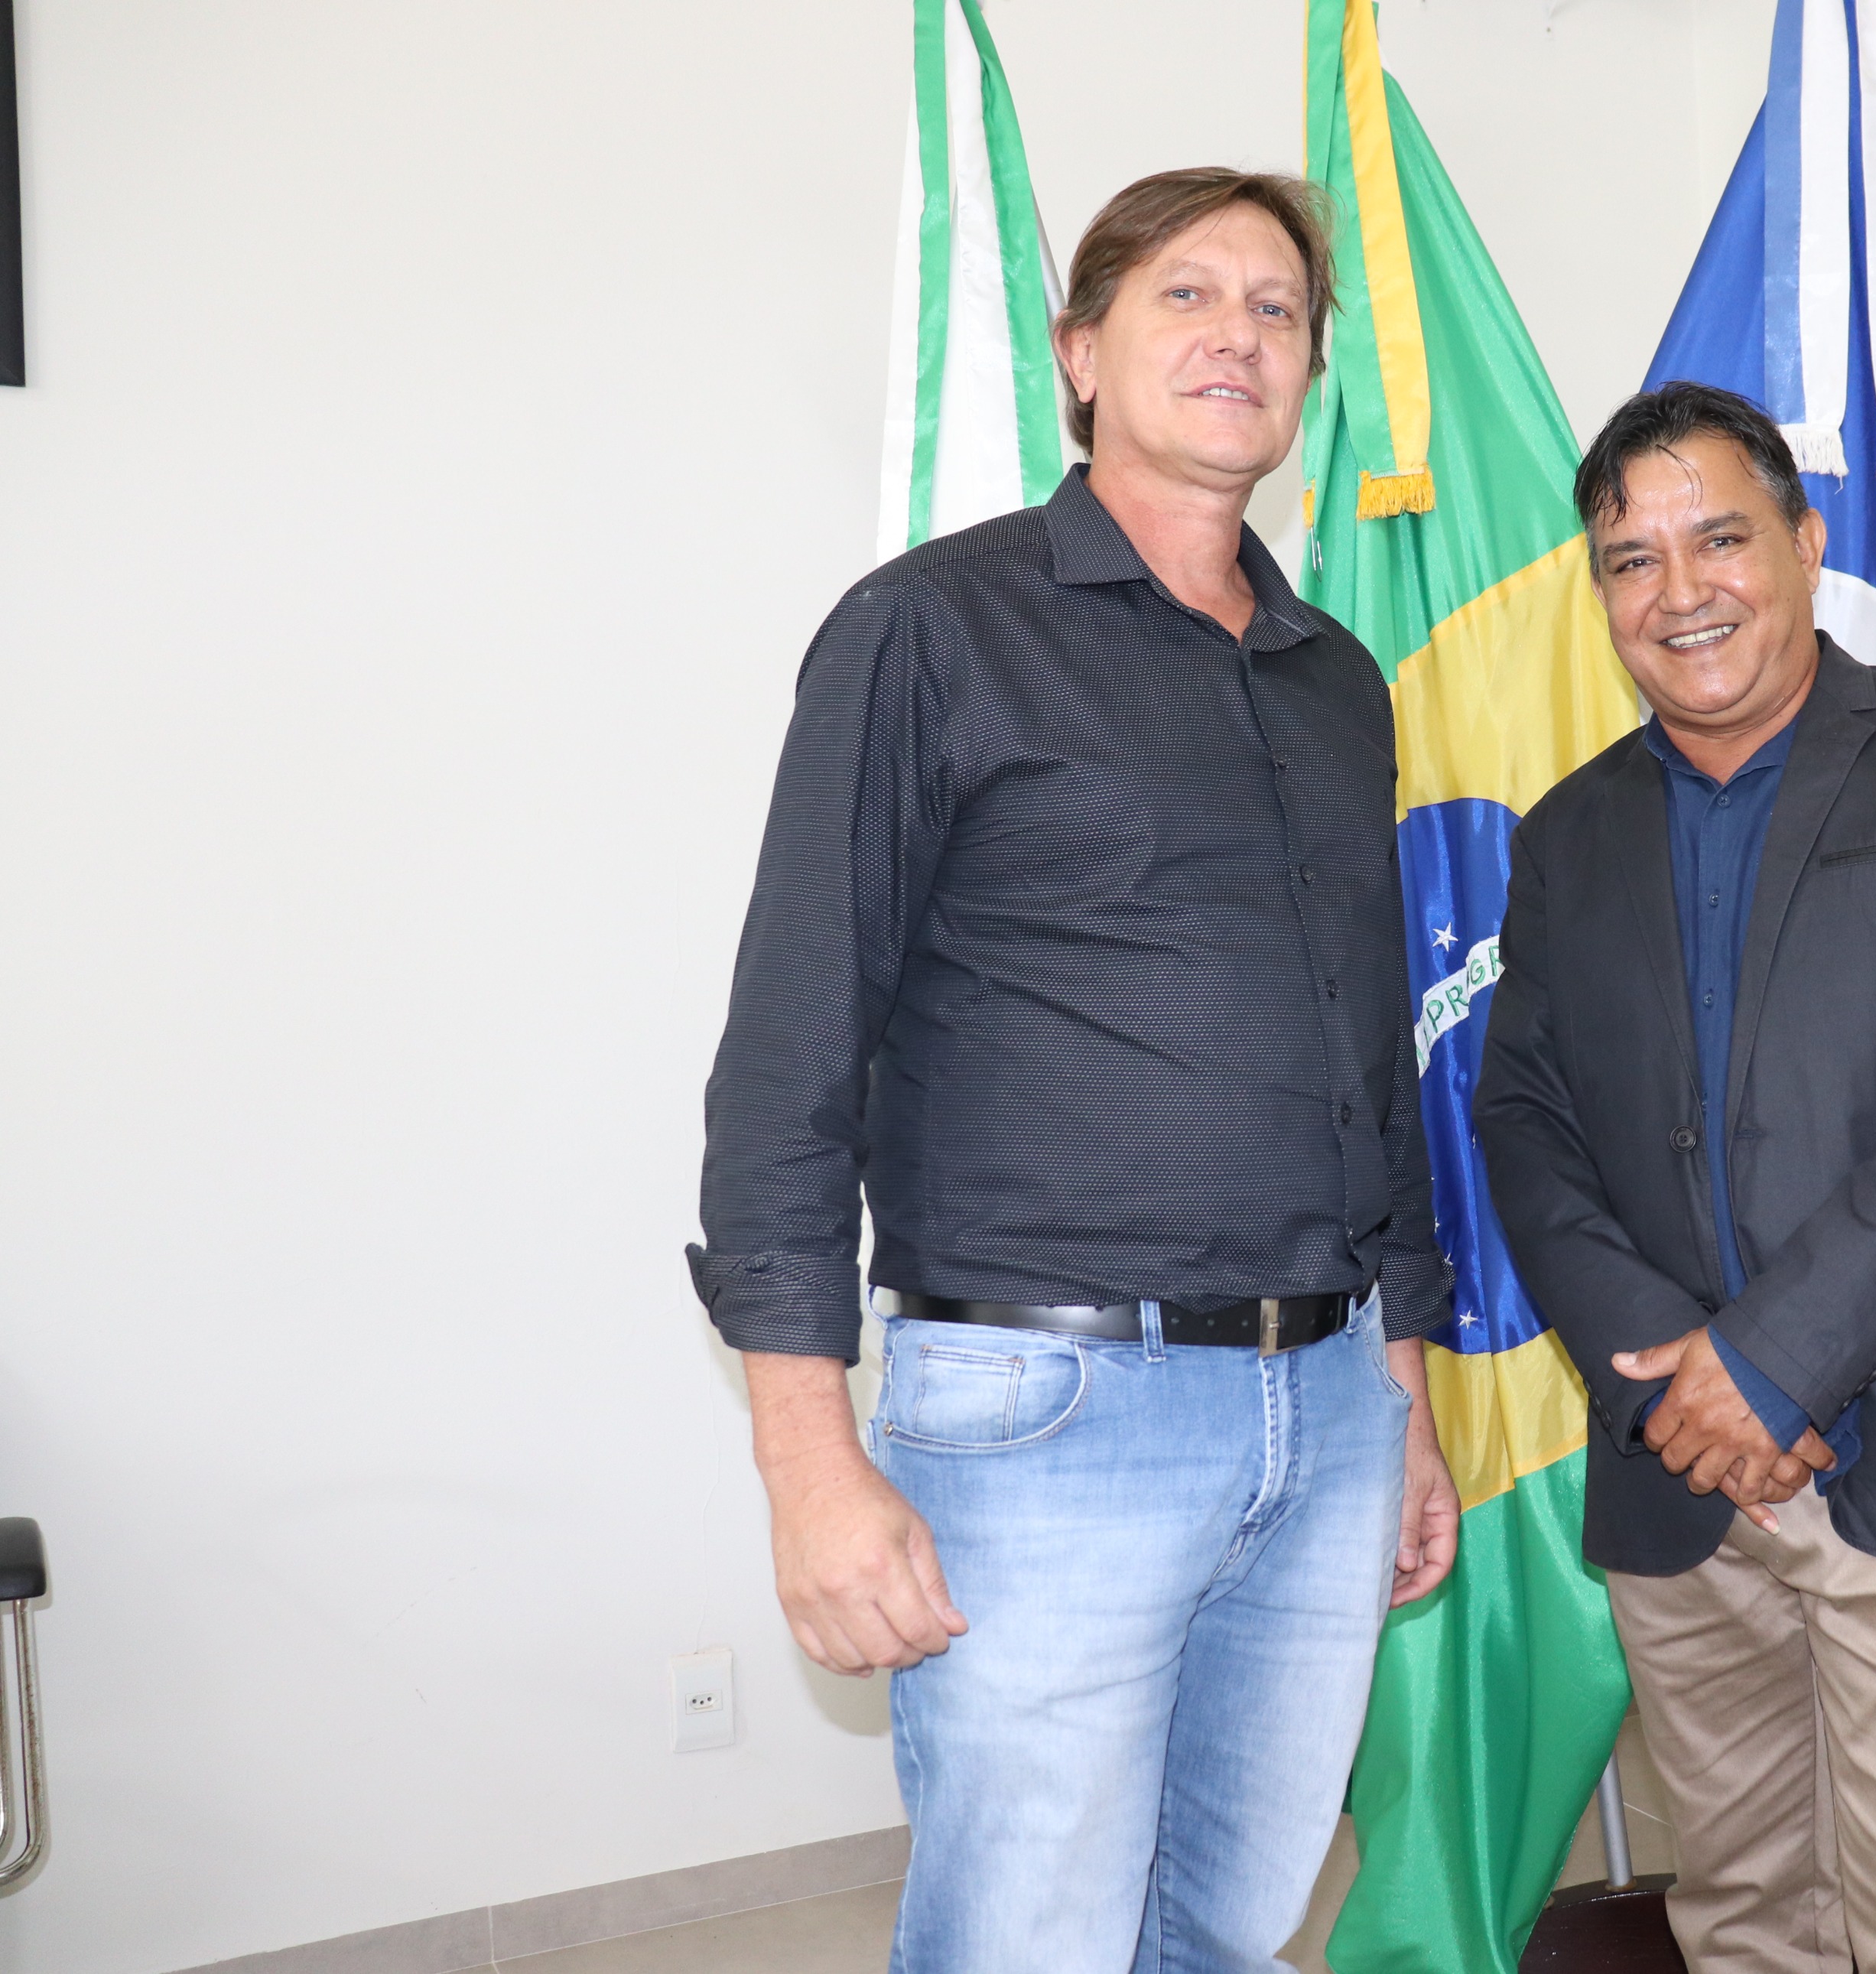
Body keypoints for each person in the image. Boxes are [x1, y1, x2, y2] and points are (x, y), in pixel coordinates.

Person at [687, 168, 1460, 1974]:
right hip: (1048, 1410)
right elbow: (790, 1052)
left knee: (1230, 1927)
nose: (1237, 334)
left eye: (1277, 309)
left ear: (1310, 374)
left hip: (1327, 1406)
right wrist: (806, 1456)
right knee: (1025, 1937)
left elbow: (1368, 1063)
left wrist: (1403, 1398)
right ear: (1081, 354)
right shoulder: (931, 630)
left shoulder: (1337, 681)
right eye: (1186, 294)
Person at [1475, 382, 1876, 1974]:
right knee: (1743, 1917)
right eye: (1632, 559)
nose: (1679, 590)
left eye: (1721, 539)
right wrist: (1676, 1380)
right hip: (1677, 1473)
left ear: (1806, 544)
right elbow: (1524, 1121)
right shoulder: (1564, 835)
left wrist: (1766, 1366)